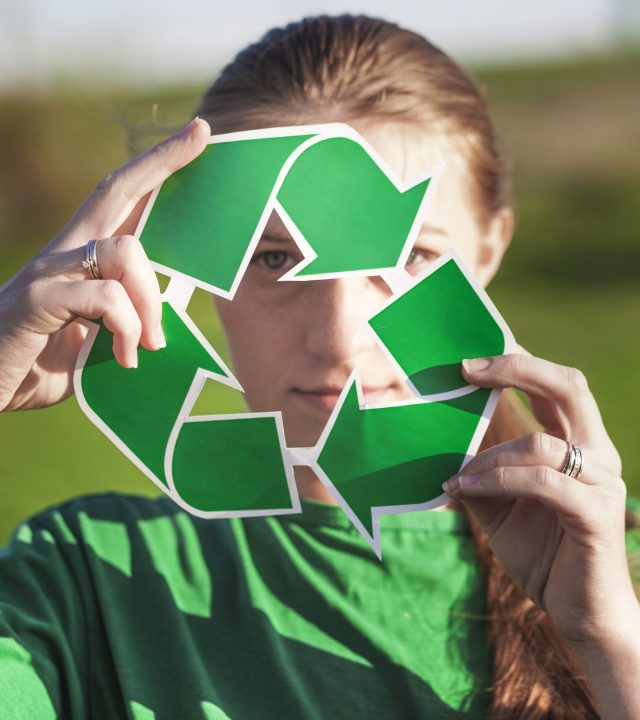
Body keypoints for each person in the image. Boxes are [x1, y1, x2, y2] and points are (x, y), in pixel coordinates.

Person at [0, 14, 638, 720]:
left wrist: (609, 642)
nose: (337, 339)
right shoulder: (88, 578)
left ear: (489, 249)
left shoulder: (611, 567)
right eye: (271, 258)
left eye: (409, 258)